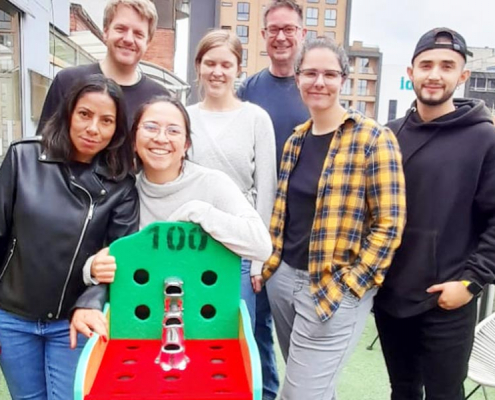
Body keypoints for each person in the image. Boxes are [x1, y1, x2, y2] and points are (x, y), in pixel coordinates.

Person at [262, 36, 406, 399]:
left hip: (332, 286)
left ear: (343, 78)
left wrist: (351, 286)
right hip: (285, 280)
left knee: (299, 394)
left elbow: (390, 223)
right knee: (315, 388)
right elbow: (285, 212)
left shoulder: (373, 137)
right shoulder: (296, 140)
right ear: (297, 79)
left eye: (329, 73)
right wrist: (272, 268)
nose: (319, 82)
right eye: (310, 73)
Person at [71, 96, 273, 341]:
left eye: (173, 130)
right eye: (151, 127)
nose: (161, 138)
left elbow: (261, 245)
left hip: (207, 315)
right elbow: (97, 253)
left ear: (186, 143)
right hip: (145, 319)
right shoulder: (123, 190)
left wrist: (198, 212)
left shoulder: (212, 183)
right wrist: (92, 268)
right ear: (134, 140)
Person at [0, 74, 139, 400]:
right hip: (12, 318)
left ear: (117, 130)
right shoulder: (23, 158)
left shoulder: (121, 185)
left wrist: (90, 303)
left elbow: (119, 259)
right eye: (85, 115)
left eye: (107, 121)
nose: (94, 129)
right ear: (68, 113)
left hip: (74, 321)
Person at [374, 28, 495, 400]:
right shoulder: (387, 136)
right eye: (426, 64)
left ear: (462, 76)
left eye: (447, 66)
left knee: (445, 394)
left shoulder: (484, 138)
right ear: (411, 72)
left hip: (448, 299)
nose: (434, 74)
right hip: (391, 296)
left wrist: (471, 283)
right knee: (403, 390)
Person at [236, 2, 309, 397]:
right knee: (257, 323)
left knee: (302, 334)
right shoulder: (248, 89)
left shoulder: (314, 87)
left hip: (304, 231)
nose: (281, 37)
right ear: (263, 36)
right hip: (257, 227)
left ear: (301, 33)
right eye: (274, 30)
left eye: (289, 29)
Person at [186, 29, 277, 328]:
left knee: (234, 338)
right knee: (187, 333)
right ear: (198, 65)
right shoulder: (184, 118)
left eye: (226, 65)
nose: (217, 72)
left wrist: (258, 257)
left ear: (238, 69)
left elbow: (266, 191)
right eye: (210, 63)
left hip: (238, 249)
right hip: (190, 244)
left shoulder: (256, 119)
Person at [37, 0, 169, 132]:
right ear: (105, 32)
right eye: (120, 29)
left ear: (148, 42)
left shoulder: (158, 98)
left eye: (138, 34)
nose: (128, 39)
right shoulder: (67, 81)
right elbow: (43, 146)